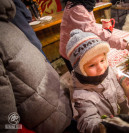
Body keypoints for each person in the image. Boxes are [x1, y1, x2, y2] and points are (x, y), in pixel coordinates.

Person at [0, 0, 72, 133]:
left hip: (48, 114)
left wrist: (10, 127)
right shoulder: (8, 24)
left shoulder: (8, 25)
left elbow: (6, 122)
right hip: (52, 108)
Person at [66, 29, 129, 133]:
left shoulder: (108, 71)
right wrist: (101, 127)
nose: (101, 67)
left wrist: (123, 104)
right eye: (92, 65)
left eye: (102, 60)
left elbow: (116, 87)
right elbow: (87, 120)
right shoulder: (81, 96)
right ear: (81, 70)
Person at [60, 0, 129, 72]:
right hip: (73, 52)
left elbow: (90, 25)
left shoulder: (83, 3)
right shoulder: (77, 8)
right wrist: (125, 45)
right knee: (82, 80)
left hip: (79, 47)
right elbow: (94, 31)